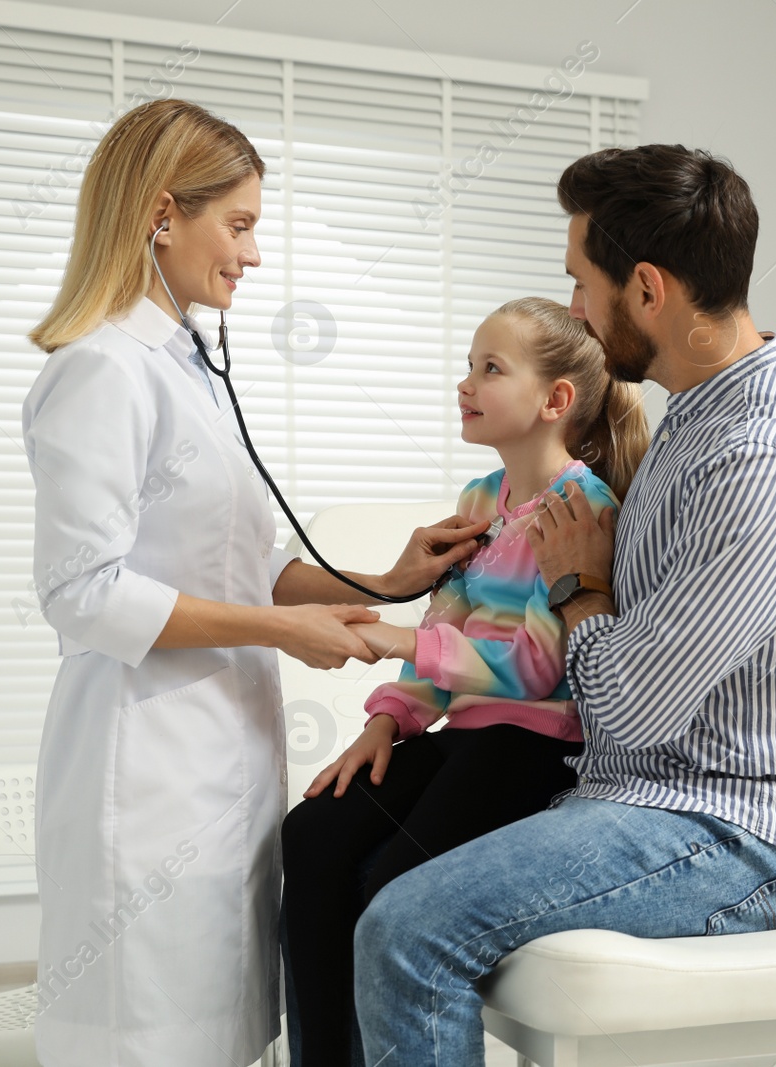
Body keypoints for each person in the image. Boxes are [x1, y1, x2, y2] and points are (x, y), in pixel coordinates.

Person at [352, 144, 776, 1064]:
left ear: (646, 288)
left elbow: (629, 711)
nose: (576, 312)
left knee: (408, 928)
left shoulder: (761, 461)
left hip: (738, 827)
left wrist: (580, 585)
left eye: (581, 285)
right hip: (650, 791)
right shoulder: (697, 413)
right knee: (342, 850)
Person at [20, 98, 488, 1067]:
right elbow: (82, 591)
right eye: (237, 225)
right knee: (150, 1039)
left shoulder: (186, 366)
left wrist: (386, 578)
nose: (253, 254)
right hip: (140, 764)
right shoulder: (103, 370)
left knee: (224, 1033)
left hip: (221, 755)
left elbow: (244, 560)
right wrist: (282, 634)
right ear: (161, 214)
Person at [279, 296, 648, 1065]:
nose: (465, 383)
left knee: (389, 882)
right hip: (464, 739)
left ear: (555, 401)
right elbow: (446, 624)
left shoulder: (583, 507)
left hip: (534, 750)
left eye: (490, 368)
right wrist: (386, 720)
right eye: (468, 366)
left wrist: (398, 636)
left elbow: (541, 664)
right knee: (312, 833)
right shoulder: (481, 500)